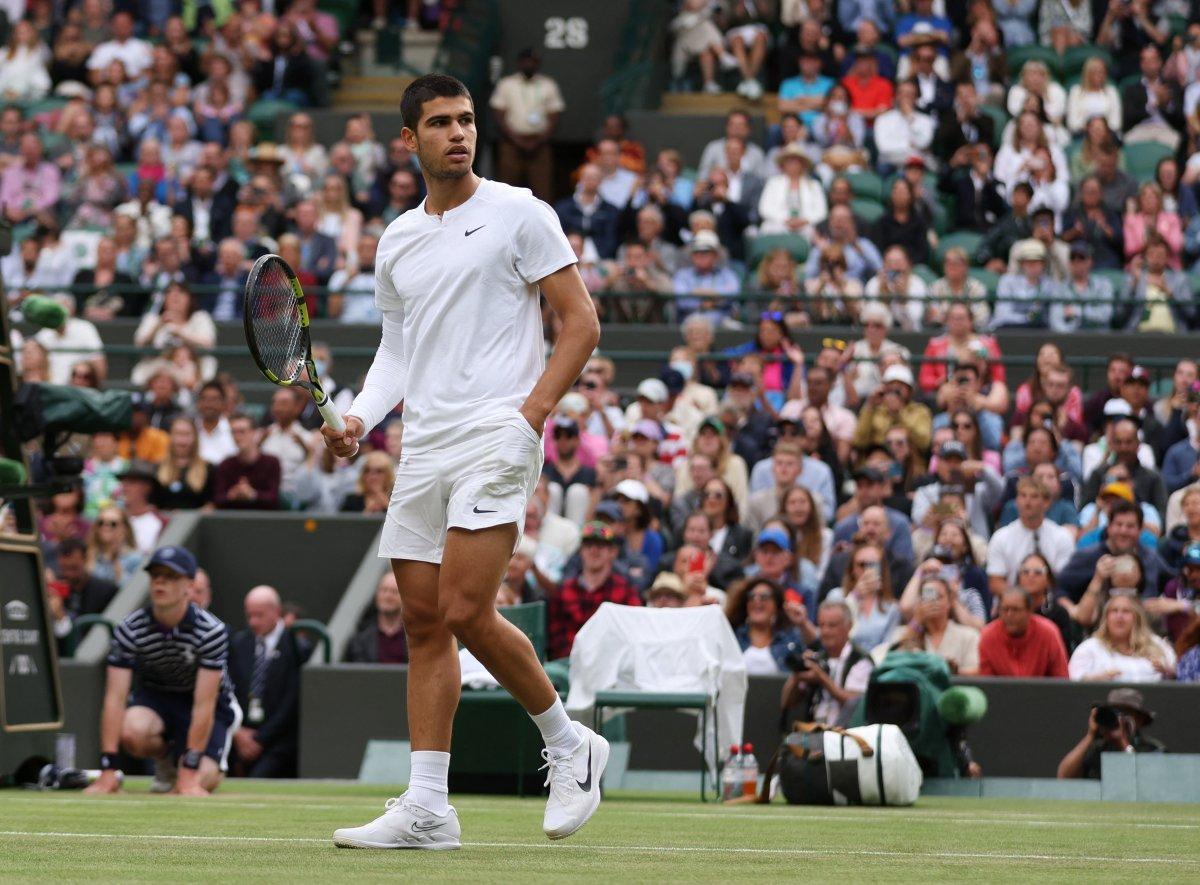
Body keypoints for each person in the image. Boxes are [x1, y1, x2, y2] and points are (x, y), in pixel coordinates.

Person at [325, 76, 606, 850]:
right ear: (408, 139)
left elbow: (581, 324)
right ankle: (427, 808)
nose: (459, 133)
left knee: (462, 609)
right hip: (423, 445)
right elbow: (396, 353)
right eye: (441, 122)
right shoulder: (397, 239)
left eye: (467, 120)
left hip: (495, 432)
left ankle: (569, 743)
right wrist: (359, 417)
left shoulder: (520, 212)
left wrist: (530, 416)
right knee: (423, 624)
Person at [84, 546, 240, 797]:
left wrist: (189, 773)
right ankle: (168, 760)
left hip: (207, 704)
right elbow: (114, 698)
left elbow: (204, 704)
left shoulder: (211, 631)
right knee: (133, 731)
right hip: (157, 698)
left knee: (203, 780)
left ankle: (186, 765)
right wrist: (108, 768)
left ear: (189, 585)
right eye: (155, 574)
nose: (160, 581)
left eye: (171, 576)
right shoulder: (130, 629)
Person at [227, 585, 304, 778]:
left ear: (276, 612)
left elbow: (292, 701)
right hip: (239, 737)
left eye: (259, 615)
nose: (253, 622)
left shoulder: (296, 647)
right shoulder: (239, 643)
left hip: (279, 742)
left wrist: (261, 739)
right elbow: (227, 690)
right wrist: (238, 732)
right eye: (249, 615)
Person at [781, 600, 874, 727]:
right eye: (821, 625)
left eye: (832, 626)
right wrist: (798, 673)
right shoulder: (817, 658)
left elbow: (855, 704)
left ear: (849, 626)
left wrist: (822, 678)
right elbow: (786, 703)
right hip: (813, 730)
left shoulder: (860, 659)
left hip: (846, 732)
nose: (825, 631)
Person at [490, 48, 564, 203]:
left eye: (533, 61)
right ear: (519, 63)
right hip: (511, 143)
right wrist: (517, 140)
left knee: (542, 190)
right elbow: (499, 115)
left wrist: (538, 141)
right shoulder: (506, 84)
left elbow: (554, 116)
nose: (529, 64)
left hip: (539, 144)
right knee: (507, 190)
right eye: (526, 61)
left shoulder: (548, 84)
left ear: (538, 64)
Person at [985, 477, 1076, 593]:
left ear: (1046, 503)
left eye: (1034, 496)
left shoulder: (1062, 536)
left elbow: (1063, 579)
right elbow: (995, 582)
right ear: (1016, 501)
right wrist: (1022, 599)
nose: (1027, 502)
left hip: (1051, 599)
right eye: (1023, 496)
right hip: (1013, 600)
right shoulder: (1001, 537)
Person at [1056, 688, 1166, 779]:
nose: (1119, 719)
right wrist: (1090, 735)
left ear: (1139, 719)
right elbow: (1064, 776)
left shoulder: (1152, 749)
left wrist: (1122, 742)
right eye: (1115, 712)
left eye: (1125, 712)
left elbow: (1145, 782)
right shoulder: (1099, 749)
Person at [1068, 595, 1177, 682]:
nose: (1119, 616)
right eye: (1114, 611)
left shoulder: (1157, 644)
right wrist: (1096, 680)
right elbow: (1073, 683)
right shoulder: (1089, 647)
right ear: (1106, 618)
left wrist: (1169, 672)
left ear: (1137, 618)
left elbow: (1179, 676)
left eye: (1126, 611)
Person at [978, 586, 1069, 678]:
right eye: (1005, 609)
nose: (1009, 615)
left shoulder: (1048, 632)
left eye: (1015, 610)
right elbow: (985, 680)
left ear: (1029, 610)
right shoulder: (988, 636)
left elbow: (1061, 676)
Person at [726, 578, 805, 674]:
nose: (757, 601)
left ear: (776, 605)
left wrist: (803, 623)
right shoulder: (732, 637)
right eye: (751, 596)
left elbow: (816, 651)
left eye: (764, 597)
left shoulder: (790, 640)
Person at [214, 414, 282, 511]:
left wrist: (253, 494)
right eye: (234, 432)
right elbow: (218, 499)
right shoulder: (226, 464)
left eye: (242, 431)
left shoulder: (271, 462)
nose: (237, 437)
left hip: (263, 518)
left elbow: (274, 498)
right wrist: (233, 494)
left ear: (254, 433)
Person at [346, 572, 409, 664]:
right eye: (384, 590)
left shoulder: (416, 638)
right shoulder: (359, 639)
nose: (388, 596)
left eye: (394, 591)